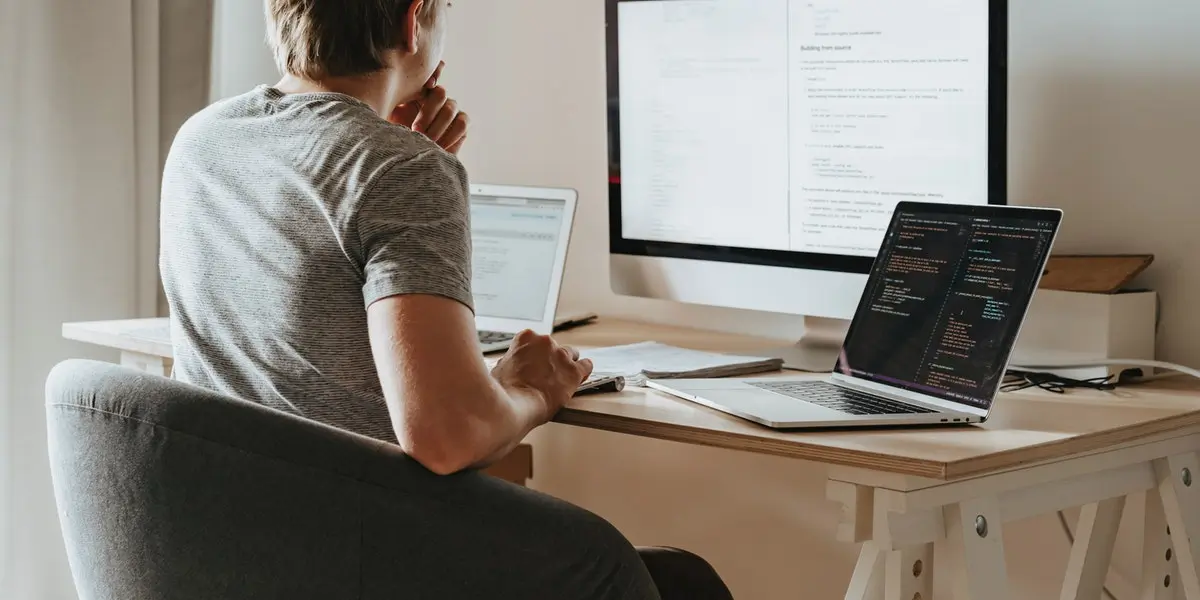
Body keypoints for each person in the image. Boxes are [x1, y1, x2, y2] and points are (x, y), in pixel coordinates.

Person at [158, 0, 735, 598]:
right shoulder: (399, 167)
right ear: (413, 21)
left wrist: (402, 159)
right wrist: (530, 391)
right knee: (678, 580)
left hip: (231, 550)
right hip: (358, 555)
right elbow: (445, 436)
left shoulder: (202, 139)